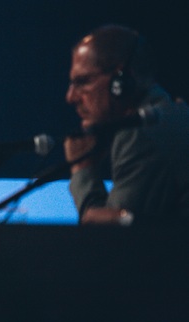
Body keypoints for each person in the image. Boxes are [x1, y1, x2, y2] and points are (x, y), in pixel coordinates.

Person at [64, 24, 189, 225]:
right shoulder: (168, 116)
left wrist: (82, 169)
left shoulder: (142, 134)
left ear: (120, 81)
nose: (70, 97)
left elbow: (111, 239)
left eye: (83, 81)